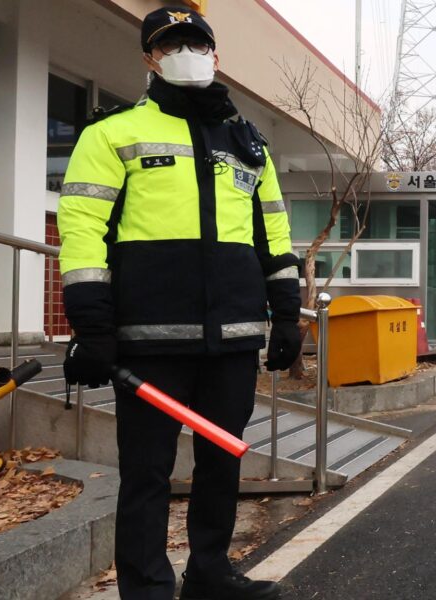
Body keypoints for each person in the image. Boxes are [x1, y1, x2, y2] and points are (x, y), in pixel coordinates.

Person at [58, 7, 301, 600]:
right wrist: (93, 327)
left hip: (234, 337)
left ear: (215, 55)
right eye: (171, 44)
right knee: (146, 475)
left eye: (195, 42)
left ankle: (210, 574)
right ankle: (146, 589)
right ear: (149, 58)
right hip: (149, 340)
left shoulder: (249, 144)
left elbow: (275, 234)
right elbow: (83, 231)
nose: (184, 51)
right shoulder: (110, 133)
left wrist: (288, 315)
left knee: (221, 464)